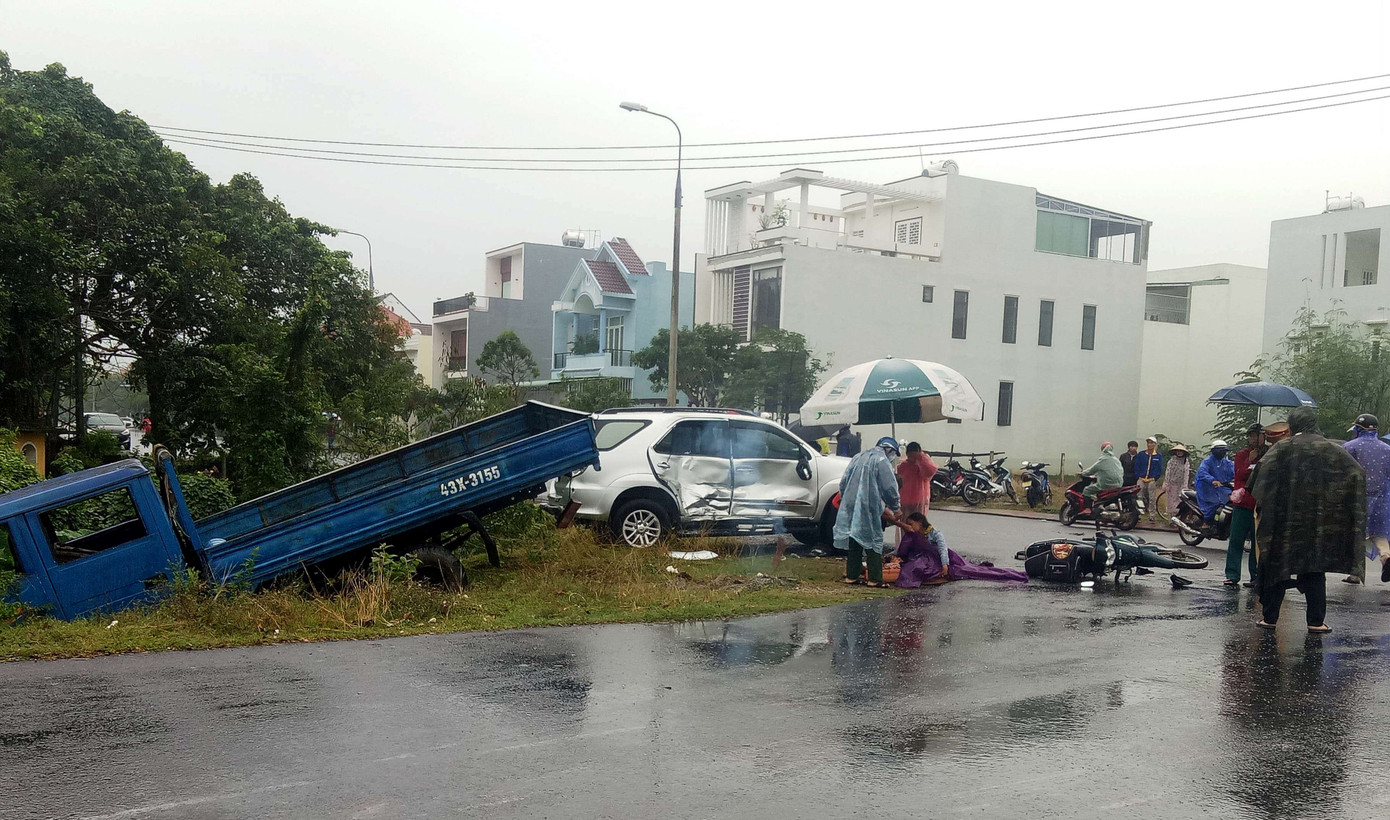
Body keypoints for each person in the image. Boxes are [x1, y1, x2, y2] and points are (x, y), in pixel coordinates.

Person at [1251, 407, 1365, 634]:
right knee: (1314, 569)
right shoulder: (1333, 449)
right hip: (1317, 524)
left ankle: (1269, 618)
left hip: (1283, 523)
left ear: (1293, 425)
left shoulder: (1281, 449)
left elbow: (1259, 478)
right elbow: (1357, 474)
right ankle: (1315, 621)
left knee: (1276, 566)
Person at [834, 436, 902, 588]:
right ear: (889, 450)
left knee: (854, 538)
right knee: (873, 540)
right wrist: (896, 507)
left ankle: (851, 576)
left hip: (851, 504)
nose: (892, 457)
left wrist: (846, 498)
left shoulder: (858, 457)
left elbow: (844, 481)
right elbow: (889, 488)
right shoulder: (882, 461)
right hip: (869, 505)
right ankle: (875, 578)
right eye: (893, 454)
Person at [892, 512, 1028, 587]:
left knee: (975, 571)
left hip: (945, 560)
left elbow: (943, 550)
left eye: (911, 524)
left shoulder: (936, 534)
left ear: (920, 523)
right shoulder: (913, 535)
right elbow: (903, 550)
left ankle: (1013, 575)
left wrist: (945, 565)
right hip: (925, 559)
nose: (909, 527)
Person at [1342, 413, 1390, 584]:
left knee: (1356, 535)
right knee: (1378, 533)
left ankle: (1355, 574)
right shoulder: (1387, 449)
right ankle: (1386, 557)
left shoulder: (1349, 447)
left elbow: (1344, 473)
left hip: (1357, 498)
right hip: (1382, 498)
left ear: (1358, 428)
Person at [1225, 424, 1265, 588]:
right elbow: (1239, 474)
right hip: (1243, 504)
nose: (1254, 439)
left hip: (1259, 505)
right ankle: (1232, 574)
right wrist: (1250, 460)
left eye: (1257, 435)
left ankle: (1255, 575)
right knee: (1236, 540)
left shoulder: (1269, 454)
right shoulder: (1242, 454)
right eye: (1251, 436)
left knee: (1257, 543)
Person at [896, 441, 938, 519]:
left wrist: (921, 458)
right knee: (905, 522)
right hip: (905, 501)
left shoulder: (923, 464)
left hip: (919, 500)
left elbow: (930, 472)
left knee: (917, 523)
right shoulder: (903, 466)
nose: (912, 458)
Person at [1195, 440, 1235, 521]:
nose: (1222, 453)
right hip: (1207, 489)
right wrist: (1212, 480)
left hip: (1223, 488)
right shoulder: (1207, 462)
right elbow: (1202, 472)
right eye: (1220, 451)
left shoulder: (1227, 462)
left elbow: (1234, 472)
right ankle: (1206, 522)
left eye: (1224, 451)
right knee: (1214, 504)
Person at [1079, 442, 1123, 510]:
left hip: (1105, 485)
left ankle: (1087, 509)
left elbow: (1091, 470)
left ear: (1102, 450)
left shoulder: (1102, 460)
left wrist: (1082, 473)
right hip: (1118, 485)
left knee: (1087, 490)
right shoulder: (1116, 460)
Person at [1132, 436, 1165, 522]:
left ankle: (1152, 515)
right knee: (1139, 496)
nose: (1150, 444)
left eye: (1152, 443)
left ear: (1155, 444)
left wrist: (1155, 477)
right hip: (1141, 478)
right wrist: (1138, 475)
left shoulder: (1158, 455)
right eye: (1149, 443)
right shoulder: (1142, 454)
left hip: (1151, 479)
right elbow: (1137, 465)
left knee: (1152, 497)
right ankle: (1138, 514)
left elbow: (1159, 468)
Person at [1163, 443, 1191, 520]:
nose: (1179, 452)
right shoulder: (1172, 461)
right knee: (1171, 502)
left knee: (1180, 502)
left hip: (1181, 485)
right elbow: (1168, 473)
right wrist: (1166, 483)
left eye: (1180, 451)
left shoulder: (1186, 462)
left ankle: (1178, 519)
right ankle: (1171, 519)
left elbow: (1186, 474)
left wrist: (1185, 485)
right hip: (1172, 484)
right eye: (1178, 451)